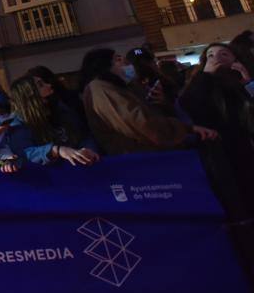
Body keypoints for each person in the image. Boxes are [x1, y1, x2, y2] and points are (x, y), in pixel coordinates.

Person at [80, 48, 217, 154]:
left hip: (151, 152)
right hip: (145, 158)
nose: (126, 65)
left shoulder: (122, 87)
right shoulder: (101, 89)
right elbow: (141, 123)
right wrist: (186, 129)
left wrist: (161, 103)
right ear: (104, 66)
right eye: (118, 59)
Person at [179, 43, 254, 213]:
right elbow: (191, 106)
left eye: (224, 54)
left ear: (235, 60)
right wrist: (205, 75)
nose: (216, 58)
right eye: (211, 55)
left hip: (243, 146)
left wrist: (248, 81)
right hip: (218, 149)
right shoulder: (199, 81)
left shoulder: (237, 82)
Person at [6, 76, 99, 168]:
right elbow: (24, 153)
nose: (49, 85)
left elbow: (84, 135)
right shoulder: (18, 125)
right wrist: (55, 150)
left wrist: (88, 150)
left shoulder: (62, 110)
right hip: (49, 178)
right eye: (41, 85)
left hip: (80, 169)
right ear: (29, 95)